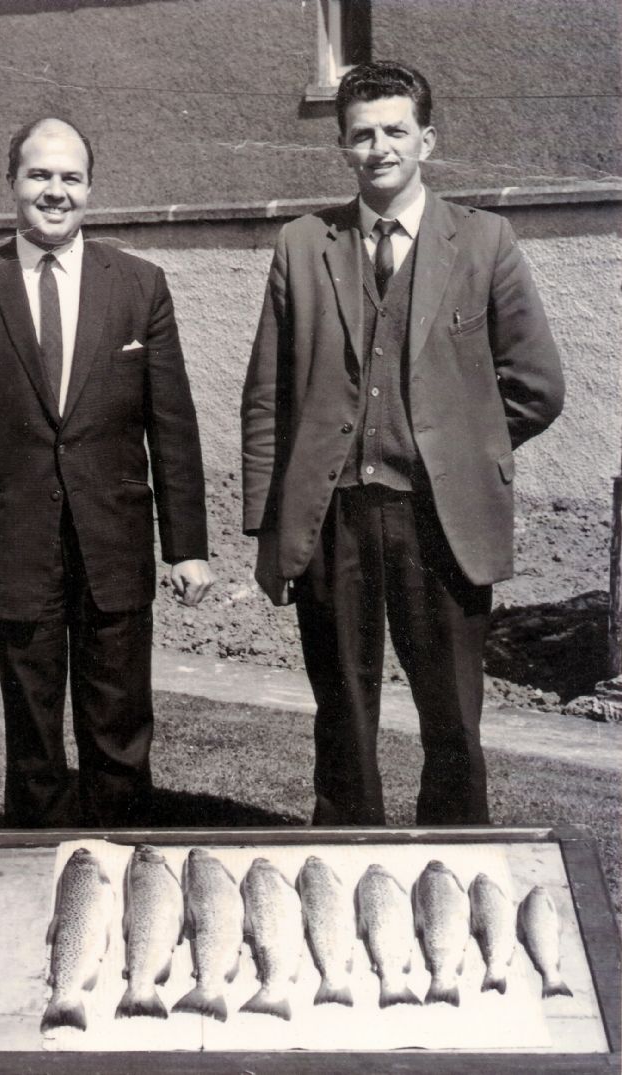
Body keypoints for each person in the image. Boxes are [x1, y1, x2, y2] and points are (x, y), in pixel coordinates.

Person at [241, 62, 564, 826]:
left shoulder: (483, 241)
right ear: (342, 148)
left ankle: (453, 876)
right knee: (342, 716)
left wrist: (457, 442)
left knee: (451, 719)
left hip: (437, 517)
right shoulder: (301, 244)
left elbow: (537, 385)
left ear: (426, 138)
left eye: (394, 130)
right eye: (361, 134)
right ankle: (350, 878)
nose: (378, 147)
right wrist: (267, 520)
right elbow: (266, 395)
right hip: (332, 518)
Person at [0, 117, 213, 828]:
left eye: (70, 177)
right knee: (33, 735)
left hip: (112, 543)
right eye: (39, 175)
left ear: (90, 188)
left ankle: (122, 873)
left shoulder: (139, 285)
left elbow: (171, 424)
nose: (56, 191)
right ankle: (37, 873)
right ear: (12, 183)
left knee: (119, 726)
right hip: (14, 545)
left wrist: (188, 545)